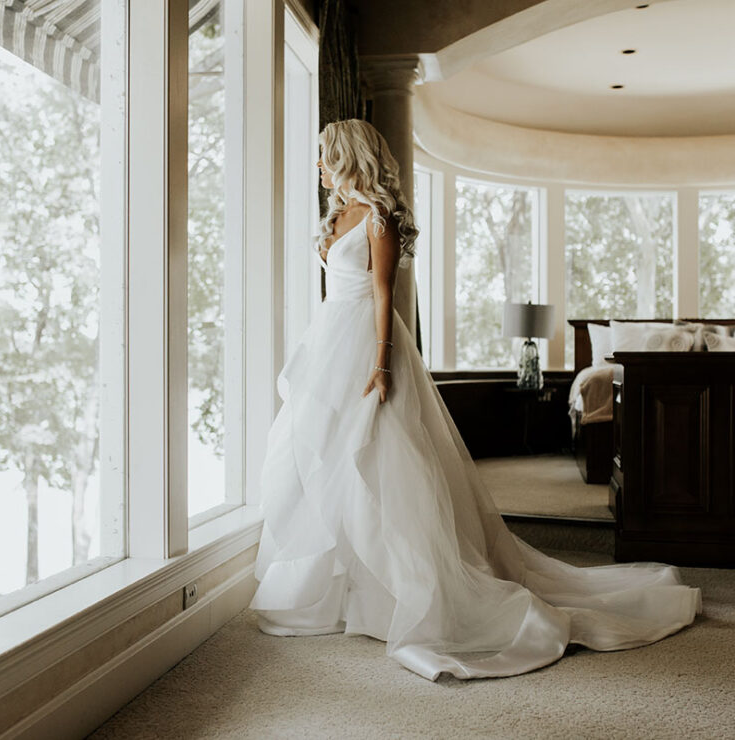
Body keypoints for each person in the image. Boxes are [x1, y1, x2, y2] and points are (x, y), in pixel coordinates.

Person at [249, 119, 700, 681]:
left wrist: (382, 364)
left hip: (368, 348)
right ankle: (347, 592)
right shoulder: (337, 214)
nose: (317, 165)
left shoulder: (379, 217)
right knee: (328, 462)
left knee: (384, 465)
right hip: (328, 344)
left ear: (347, 155)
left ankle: (411, 591)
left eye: (323, 155)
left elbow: (387, 295)